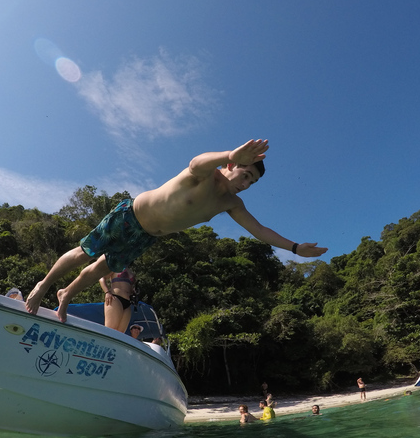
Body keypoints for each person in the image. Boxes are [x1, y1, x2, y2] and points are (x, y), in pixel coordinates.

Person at [25, 139, 329, 321]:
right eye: (245, 173)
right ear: (231, 166)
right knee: (83, 253)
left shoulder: (231, 203)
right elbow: (196, 161)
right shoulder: (206, 176)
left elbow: (259, 230)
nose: (246, 183)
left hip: (146, 236)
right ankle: (43, 285)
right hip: (131, 215)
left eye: (252, 182)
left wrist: (295, 248)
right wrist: (231, 154)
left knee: (100, 268)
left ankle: (65, 294)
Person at [97, 266, 137, 333]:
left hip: (128, 302)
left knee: (121, 333)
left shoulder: (130, 270)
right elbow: (101, 278)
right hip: (115, 298)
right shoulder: (116, 266)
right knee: (110, 330)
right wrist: (107, 292)